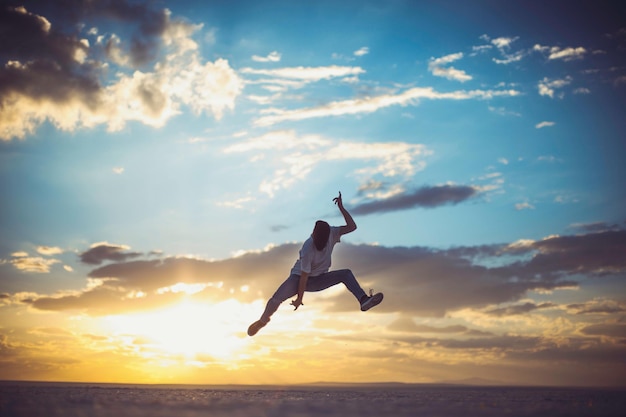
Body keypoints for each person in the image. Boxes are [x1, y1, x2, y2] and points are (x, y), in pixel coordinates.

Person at [247, 191, 383, 336]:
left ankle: (363, 300)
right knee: (276, 299)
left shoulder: (331, 233)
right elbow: (303, 277)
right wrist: (299, 298)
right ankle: (262, 321)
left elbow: (351, 227)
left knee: (346, 274)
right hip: (297, 278)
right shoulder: (308, 248)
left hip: (318, 279)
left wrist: (342, 208)